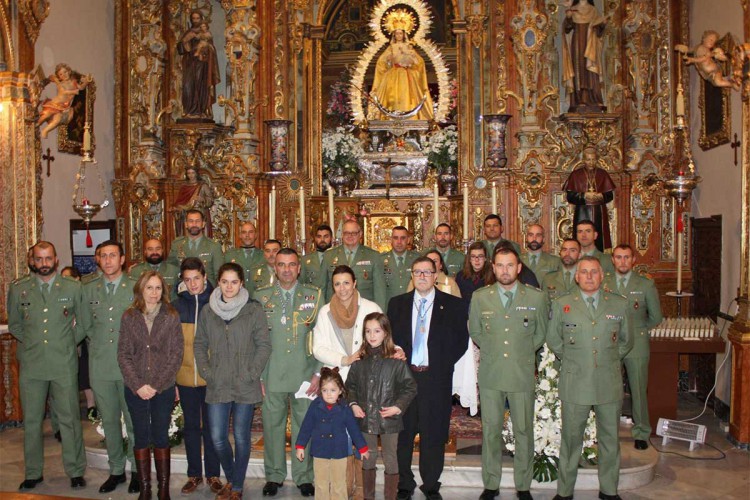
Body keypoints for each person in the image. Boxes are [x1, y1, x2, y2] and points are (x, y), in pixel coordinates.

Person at [547, 256, 633, 500]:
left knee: (610, 439)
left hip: (608, 381)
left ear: (602, 275)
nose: (588, 276)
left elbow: (626, 341)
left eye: (593, 272)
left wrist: (607, 359)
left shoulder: (618, 304)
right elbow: (554, 340)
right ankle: (564, 492)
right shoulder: (563, 303)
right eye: (583, 272)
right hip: (576, 381)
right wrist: (575, 360)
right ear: (576, 276)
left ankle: (609, 490)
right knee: (571, 440)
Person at [469, 247, 549, 500]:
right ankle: (491, 484)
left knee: (523, 430)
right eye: (500, 265)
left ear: (519, 268)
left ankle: (523, 485)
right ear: (493, 268)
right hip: (492, 374)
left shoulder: (536, 298)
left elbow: (540, 334)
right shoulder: (481, 297)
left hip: (521, 373)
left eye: (510, 265)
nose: (505, 270)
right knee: (490, 430)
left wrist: (521, 353)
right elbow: (476, 332)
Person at [7, 241, 87, 491]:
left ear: (56, 259)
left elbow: (83, 324)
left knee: (69, 419)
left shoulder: (73, 288)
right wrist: (34, 345)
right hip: (32, 365)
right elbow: (15, 325)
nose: (44, 263)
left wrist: (64, 344)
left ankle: (75, 470)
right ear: (32, 260)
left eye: (48, 258)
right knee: (31, 421)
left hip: (63, 363)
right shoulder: (19, 289)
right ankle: (33, 472)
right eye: (39, 259)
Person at [387, 257, 469, 500]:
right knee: (403, 433)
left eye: (427, 272)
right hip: (404, 379)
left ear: (436, 276)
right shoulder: (396, 304)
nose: (422, 276)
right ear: (411, 276)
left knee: (433, 434)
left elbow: (460, 342)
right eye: (417, 272)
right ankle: (404, 483)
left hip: (436, 379)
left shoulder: (454, 305)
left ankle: (431, 484)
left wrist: (438, 365)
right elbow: (388, 339)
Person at [194, 262, 272, 500]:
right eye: (224, 281)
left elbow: (264, 345)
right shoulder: (208, 310)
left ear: (242, 283)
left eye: (234, 282)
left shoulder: (253, 309)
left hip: (244, 383)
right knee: (217, 438)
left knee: (241, 437)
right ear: (218, 282)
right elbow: (199, 344)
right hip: (217, 382)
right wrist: (207, 371)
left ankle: (236, 487)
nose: (229, 287)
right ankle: (233, 478)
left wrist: (251, 373)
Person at [254, 249, 322, 497]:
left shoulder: (314, 296)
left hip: (305, 376)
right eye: (281, 265)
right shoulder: (261, 298)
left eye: (291, 265)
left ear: (299, 268)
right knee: (272, 427)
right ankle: (273, 475)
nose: (286, 269)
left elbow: (322, 337)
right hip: (271, 374)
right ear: (275, 268)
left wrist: (318, 373)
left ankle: (304, 476)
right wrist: (258, 375)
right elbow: (256, 340)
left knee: (305, 427)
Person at [79, 240, 140, 494]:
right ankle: (116, 470)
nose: (108, 260)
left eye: (113, 255)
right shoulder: (88, 289)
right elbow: (85, 325)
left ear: (123, 259)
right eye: (103, 256)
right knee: (110, 420)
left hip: (131, 365)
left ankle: (138, 469)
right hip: (102, 364)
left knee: (133, 419)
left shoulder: (135, 287)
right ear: (97, 259)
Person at [118, 271, 184, 500]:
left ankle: (163, 489)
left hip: (162, 388)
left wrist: (155, 385)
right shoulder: (129, 316)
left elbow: (176, 354)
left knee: (161, 437)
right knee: (141, 437)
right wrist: (138, 385)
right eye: (149, 288)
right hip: (135, 388)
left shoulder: (171, 315)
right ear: (141, 289)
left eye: (158, 288)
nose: (154, 293)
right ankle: (145, 489)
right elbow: (123, 354)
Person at [346, 312, 417, 500]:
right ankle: (368, 496)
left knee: (391, 458)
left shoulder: (395, 361)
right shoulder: (359, 362)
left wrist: (398, 407)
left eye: (377, 330)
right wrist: (353, 404)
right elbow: (350, 386)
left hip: (389, 418)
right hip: (365, 417)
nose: (372, 335)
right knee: (367, 457)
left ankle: (390, 497)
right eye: (368, 331)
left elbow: (410, 387)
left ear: (385, 332)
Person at [604, 244, 663, 450]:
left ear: (633, 260)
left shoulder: (645, 285)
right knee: (609, 389)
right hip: (610, 343)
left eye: (626, 257)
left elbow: (656, 317)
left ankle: (641, 432)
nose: (622, 261)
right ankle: (608, 431)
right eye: (618, 257)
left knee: (638, 389)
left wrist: (638, 329)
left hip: (637, 344)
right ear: (613, 260)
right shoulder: (604, 282)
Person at [173, 258, 223, 495]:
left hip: (211, 378)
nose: (193, 284)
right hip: (184, 378)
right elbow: (171, 346)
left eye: (196, 278)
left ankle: (213, 474)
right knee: (191, 427)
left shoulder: (218, 303)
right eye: (187, 279)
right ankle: (194, 475)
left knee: (213, 428)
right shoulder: (175, 306)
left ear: (205, 277)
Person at [295, 368, 370, 500]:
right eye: (325, 390)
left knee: (339, 484)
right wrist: (300, 446)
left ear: (340, 390)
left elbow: (353, 429)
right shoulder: (315, 405)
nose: (329, 394)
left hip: (339, 451)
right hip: (319, 451)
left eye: (333, 390)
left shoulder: (345, 408)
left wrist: (362, 448)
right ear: (320, 391)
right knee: (321, 483)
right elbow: (306, 427)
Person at [313, 265, 383, 381]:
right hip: (336, 379)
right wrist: (344, 360)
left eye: (346, 283)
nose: (342, 289)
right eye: (337, 284)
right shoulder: (325, 312)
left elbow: (385, 339)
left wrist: (397, 349)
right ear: (333, 286)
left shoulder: (371, 308)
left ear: (354, 283)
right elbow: (318, 349)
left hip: (368, 377)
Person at [369, 28, 434, 121]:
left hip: (407, 75)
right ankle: (392, 116)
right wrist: (389, 60)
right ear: (394, 35)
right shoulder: (391, 47)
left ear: (404, 35)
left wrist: (411, 58)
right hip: (393, 75)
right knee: (392, 96)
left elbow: (419, 62)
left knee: (407, 95)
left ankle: (410, 117)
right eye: (396, 34)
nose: (399, 35)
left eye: (400, 33)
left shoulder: (409, 47)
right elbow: (381, 62)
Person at [60, 266, 97, 420]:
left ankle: (93, 405)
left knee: (87, 372)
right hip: (71, 342)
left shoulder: (85, 293)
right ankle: (87, 406)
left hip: (87, 341)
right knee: (80, 375)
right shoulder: (61, 296)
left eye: (67, 278)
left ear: (77, 279)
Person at [563, 147, 616, 252]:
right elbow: (570, 197)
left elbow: (609, 195)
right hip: (582, 213)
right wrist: (584, 196)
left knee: (599, 239)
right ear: (583, 160)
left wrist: (601, 196)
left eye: (593, 159)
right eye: (588, 159)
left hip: (599, 213)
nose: (591, 162)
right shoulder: (576, 175)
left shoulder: (602, 174)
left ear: (596, 160)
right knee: (581, 240)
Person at [322, 219, 385, 305]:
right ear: (342, 235)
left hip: (364, 309)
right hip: (336, 308)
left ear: (360, 234)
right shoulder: (329, 256)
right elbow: (323, 287)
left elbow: (379, 290)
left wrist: (379, 314)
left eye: (354, 233)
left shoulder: (373, 256)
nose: (350, 236)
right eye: (347, 233)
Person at [562, 0, 608, 112]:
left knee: (591, 71)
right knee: (579, 69)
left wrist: (602, 24)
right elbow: (567, 29)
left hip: (590, 44)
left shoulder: (593, 10)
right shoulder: (573, 9)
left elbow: (598, 32)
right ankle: (578, 99)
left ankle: (593, 98)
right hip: (577, 44)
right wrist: (568, 17)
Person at [177, 10, 220, 119]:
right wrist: (185, 41)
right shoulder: (189, 32)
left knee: (200, 85)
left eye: (197, 18)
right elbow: (181, 49)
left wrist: (205, 47)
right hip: (189, 63)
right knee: (188, 85)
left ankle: (200, 110)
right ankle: (189, 111)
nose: (195, 21)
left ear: (201, 20)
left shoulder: (205, 33)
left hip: (202, 64)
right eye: (193, 18)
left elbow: (211, 49)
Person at [168, 209, 224, 285]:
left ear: (203, 224)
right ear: (186, 224)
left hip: (207, 292)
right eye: (191, 221)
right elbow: (171, 272)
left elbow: (220, 275)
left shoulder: (214, 246)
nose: (194, 224)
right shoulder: (176, 245)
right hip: (183, 292)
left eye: (197, 221)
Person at [37, 63, 92, 138]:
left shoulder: (73, 83)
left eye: (65, 72)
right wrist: (73, 92)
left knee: (57, 120)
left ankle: (45, 131)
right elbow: (63, 91)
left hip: (63, 107)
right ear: (59, 77)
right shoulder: (61, 84)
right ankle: (37, 124)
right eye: (61, 74)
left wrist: (86, 81)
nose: (64, 75)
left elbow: (81, 87)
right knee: (47, 114)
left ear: (69, 71)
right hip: (55, 104)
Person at [380, 226, 420, 309]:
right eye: (395, 238)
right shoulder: (380, 260)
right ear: (391, 240)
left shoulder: (417, 259)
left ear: (408, 240)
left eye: (403, 238)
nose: (399, 242)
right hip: (389, 307)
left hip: (412, 306)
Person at [171, 166, 215, 238]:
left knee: (201, 233)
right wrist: (177, 208)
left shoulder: (203, 186)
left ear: (196, 174)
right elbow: (179, 202)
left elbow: (210, 200)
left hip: (200, 211)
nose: (191, 175)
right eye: (189, 173)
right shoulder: (184, 187)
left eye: (192, 173)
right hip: (187, 213)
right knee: (188, 234)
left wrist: (202, 200)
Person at [224, 222, 266, 291]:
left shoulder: (264, 255)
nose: (247, 235)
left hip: (258, 297)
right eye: (244, 232)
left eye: (251, 232)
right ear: (240, 235)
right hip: (236, 296)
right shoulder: (229, 256)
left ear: (256, 235)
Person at [455, 242, 494, 311]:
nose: (477, 260)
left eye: (480, 256)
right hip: (465, 314)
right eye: (473, 256)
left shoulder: (493, 276)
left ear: (485, 258)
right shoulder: (461, 276)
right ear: (469, 259)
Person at [300, 224, 334, 291]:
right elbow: (301, 284)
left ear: (331, 238)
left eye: (326, 236)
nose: (322, 240)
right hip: (313, 299)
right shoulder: (305, 260)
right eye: (319, 237)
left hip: (333, 299)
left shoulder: (338, 258)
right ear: (315, 239)